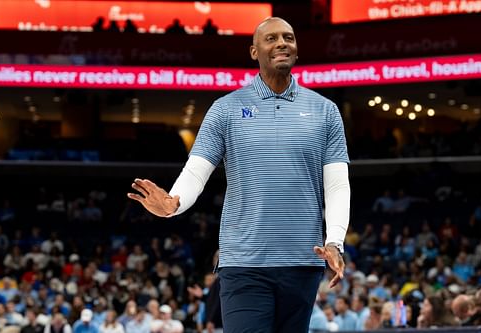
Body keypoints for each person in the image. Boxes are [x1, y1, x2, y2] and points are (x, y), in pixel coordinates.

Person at [128, 17, 350, 333]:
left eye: (288, 37)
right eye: (271, 39)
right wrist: (174, 203)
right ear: (253, 51)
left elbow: (338, 184)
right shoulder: (225, 109)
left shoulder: (325, 110)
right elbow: (196, 171)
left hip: (304, 261)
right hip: (244, 263)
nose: (282, 43)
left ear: (297, 50)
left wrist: (335, 241)